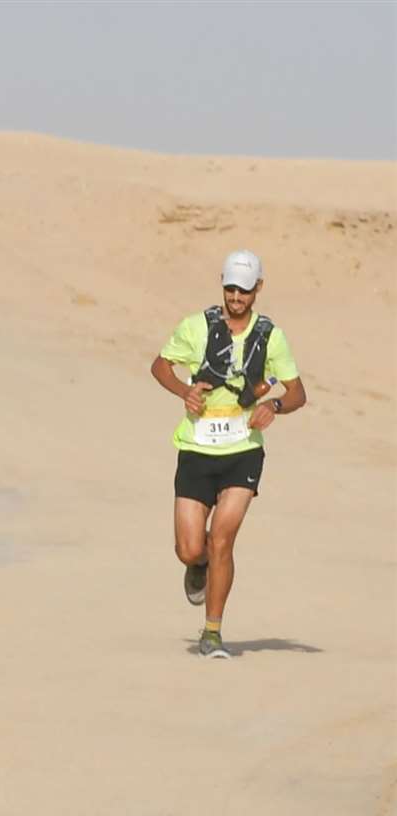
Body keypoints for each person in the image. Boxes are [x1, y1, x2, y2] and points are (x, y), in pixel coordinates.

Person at [148, 249, 305, 658]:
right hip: (197, 447)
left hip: (243, 452)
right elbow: (161, 365)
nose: (236, 296)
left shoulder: (271, 336)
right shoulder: (196, 327)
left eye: (244, 290)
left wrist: (275, 406)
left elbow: (297, 392)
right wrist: (184, 390)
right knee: (190, 549)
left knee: (221, 539)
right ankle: (196, 568)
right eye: (230, 288)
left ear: (259, 290)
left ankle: (213, 633)